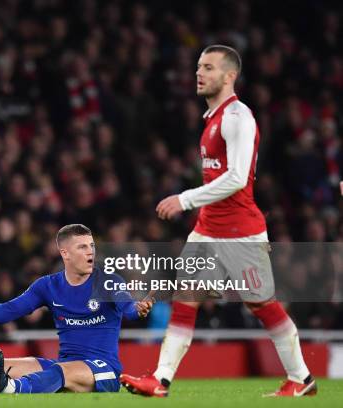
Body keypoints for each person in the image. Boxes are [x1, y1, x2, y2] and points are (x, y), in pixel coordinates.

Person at [120, 45, 316, 398]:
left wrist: (185, 199)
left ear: (229, 76)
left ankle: (301, 378)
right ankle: (160, 380)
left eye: (208, 68)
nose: (199, 73)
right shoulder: (213, 117)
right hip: (208, 229)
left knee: (262, 305)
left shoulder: (237, 117)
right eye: (198, 66)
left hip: (240, 231)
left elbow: (239, 178)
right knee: (185, 299)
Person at [0, 224, 153, 394]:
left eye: (92, 246)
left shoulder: (108, 281)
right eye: (83, 247)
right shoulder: (48, 285)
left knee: (57, 371)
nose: (91, 252)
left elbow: (127, 307)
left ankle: (11, 388)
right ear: (65, 253)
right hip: (65, 365)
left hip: (103, 370)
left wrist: (138, 309)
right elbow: (11, 310)